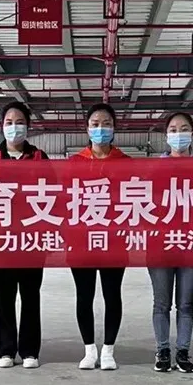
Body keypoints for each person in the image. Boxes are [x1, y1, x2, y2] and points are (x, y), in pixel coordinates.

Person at [0, 101, 50, 369]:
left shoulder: (40, 158)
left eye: (20, 122)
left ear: (28, 126)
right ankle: (6, 350)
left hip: (32, 239)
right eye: (9, 123)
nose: (14, 127)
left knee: (30, 295)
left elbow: (53, 195)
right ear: (2, 127)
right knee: (5, 296)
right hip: (0, 240)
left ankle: (30, 351)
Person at [69, 103, 129, 370]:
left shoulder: (125, 163)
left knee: (112, 294)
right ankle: (89, 350)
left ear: (114, 128)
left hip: (114, 240)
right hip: (81, 240)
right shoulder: (75, 162)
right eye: (95, 124)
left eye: (106, 124)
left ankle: (108, 351)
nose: (100, 129)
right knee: (84, 295)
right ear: (87, 128)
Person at [148, 112, 193, 373]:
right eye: (173, 129)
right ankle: (162, 350)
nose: (178, 134)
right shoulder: (155, 170)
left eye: (183, 128)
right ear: (166, 135)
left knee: (186, 303)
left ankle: (183, 351)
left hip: (191, 243)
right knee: (161, 304)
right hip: (160, 244)